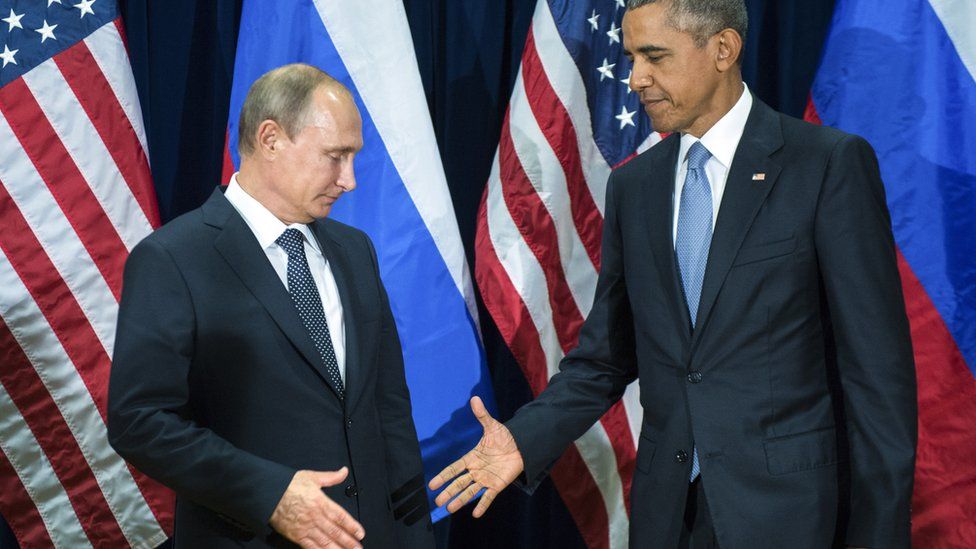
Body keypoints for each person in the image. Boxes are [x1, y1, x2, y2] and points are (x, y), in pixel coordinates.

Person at [429, 1, 917, 547]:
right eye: (632, 57)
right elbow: (606, 357)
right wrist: (523, 441)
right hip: (668, 518)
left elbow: (877, 380)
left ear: (723, 50)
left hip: (791, 517)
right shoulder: (635, 187)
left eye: (654, 56)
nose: (637, 78)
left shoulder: (825, 166)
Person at [109, 64, 434, 549]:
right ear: (270, 139)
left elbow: (388, 413)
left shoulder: (354, 250)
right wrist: (271, 495)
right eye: (335, 156)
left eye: (352, 158)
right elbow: (140, 422)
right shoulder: (173, 260)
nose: (350, 181)